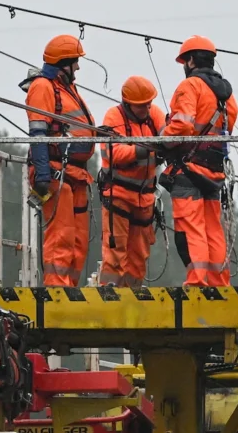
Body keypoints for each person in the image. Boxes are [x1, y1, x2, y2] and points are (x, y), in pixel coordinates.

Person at [160, 35, 238, 287]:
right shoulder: (226, 94)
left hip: (188, 168)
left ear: (191, 60)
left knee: (191, 227)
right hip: (214, 171)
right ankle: (218, 282)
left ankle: (197, 282)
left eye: (185, 60)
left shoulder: (190, 86)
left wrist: (161, 140)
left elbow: (182, 124)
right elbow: (229, 126)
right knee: (213, 229)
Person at [20, 34, 96, 287]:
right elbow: (38, 133)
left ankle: (69, 291)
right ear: (64, 63)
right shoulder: (43, 87)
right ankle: (57, 289)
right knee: (60, 236)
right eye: (75, 61)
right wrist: (42, 176)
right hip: (54, 171)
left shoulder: (66, 87)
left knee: (78, 241)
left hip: (75, 174)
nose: (78, 67)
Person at [97, 76, 166, 287]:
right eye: (142, 105)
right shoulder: (113, 117)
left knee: (138, 256)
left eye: (149, 103)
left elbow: (168, 137)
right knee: (115, 252)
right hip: (118, 195)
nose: (147, 107)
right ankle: (108, 299)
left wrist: (167, 146)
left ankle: (131, 301)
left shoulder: (153, 113)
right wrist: (145, 150)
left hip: (144, 198)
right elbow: (113, 152)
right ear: (128, 104)